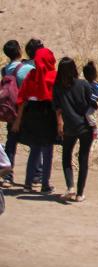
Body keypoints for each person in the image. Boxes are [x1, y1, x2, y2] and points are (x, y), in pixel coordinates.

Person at [52, 57, 98, 203]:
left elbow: (57, 109)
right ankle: (79, 194)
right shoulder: (83, 84)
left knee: (66, 156)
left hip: (69, 127)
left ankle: (70, 186)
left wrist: (59, 125)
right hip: (85, 127)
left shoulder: (57, 87)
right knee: (83, 159)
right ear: (74, 69)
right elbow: (92, 103)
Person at [12, 45, 57, 193]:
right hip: (48, 115)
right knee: (48, 150)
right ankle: (45, 184)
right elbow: (58, 100)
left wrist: (18, 121)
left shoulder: (31, 75)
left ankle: (27, 184)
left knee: (35, 149)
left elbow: (22, 98)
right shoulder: (53, 75)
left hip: (32, 115)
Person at [1, 39, 33, 188]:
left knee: (11, 142)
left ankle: (8, 176)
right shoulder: (25, 68)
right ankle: (35, 177)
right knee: (35, 142)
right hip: (24, 110)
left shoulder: (5, 69)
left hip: (10, 110)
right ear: (19, 50)